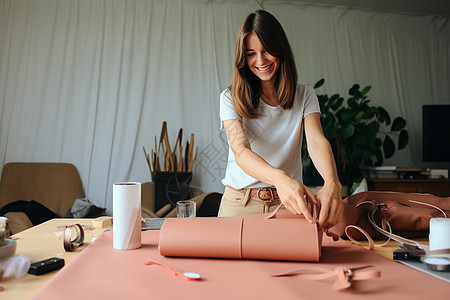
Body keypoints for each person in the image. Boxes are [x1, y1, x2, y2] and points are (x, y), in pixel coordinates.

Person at [218, 10, 343, 230]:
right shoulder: (229, 98)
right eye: (250, 54)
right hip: (239, 203)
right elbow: (241, 151)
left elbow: (315, 141)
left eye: (266, 51)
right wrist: (280, 178)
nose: (260, 61)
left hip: (288, 205)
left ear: (280, 49)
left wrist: (332, 183)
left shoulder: (305, 95)